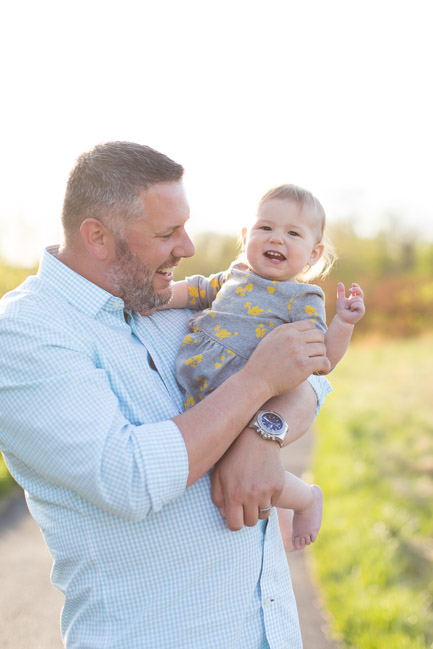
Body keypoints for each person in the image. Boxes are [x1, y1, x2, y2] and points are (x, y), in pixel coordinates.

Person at [0, 142, 331, 649]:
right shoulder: (25, 333)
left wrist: (264, 436)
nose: (189, 247)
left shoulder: (164, 299)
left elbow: (311, 377)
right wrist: (256, 385)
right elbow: (129, 478)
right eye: (166, 233)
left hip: (268, 631)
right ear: (98, 237)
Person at [162, 184, 365, 550]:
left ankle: (305, 498)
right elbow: (195, 290)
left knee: (244, 461)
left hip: (246, 402)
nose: (277, 239)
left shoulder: (302, 298)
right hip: (204, 392)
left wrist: (344, 324)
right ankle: (277, 520)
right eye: (266, 228)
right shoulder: (233, 275)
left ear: (313, 254)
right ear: (245, 236)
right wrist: (158, 298)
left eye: (293, 233)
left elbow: (321, 360)